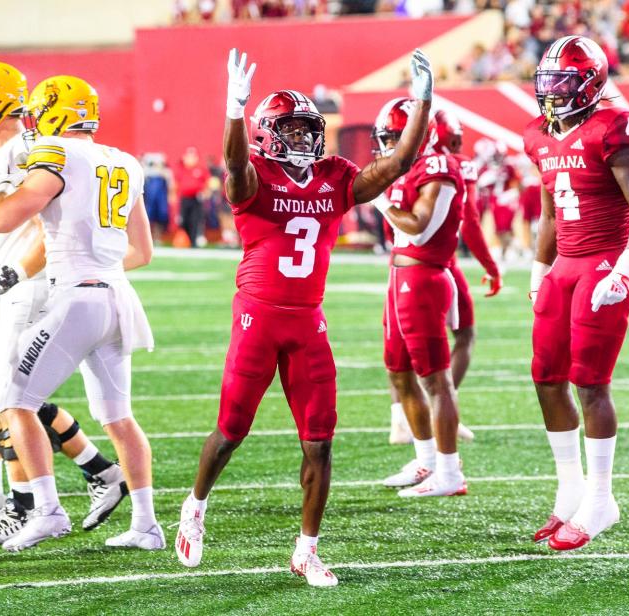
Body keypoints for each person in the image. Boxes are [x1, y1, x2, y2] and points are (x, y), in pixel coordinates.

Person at [174, 48, 434, 586]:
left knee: (319, 440)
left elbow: (396, 165)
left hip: (307, 321)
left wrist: (424, 102)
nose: (303, 141)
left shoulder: (333, 176)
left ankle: (306, 549)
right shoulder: (255, 177)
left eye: (307, 130)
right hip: (257, 317)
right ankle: (195, 506)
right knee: (230, 430)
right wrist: (233, 111)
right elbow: (237, 165)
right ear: (268, 135)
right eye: (290, 132)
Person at [0, 65, 128, 544]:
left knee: (12, 397)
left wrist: (4, 278)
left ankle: (27, 506)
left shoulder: (34, 151)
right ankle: (96, 474)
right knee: (8, 396)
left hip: (26, 286)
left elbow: (47, 231)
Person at [0, 74, 160, 552]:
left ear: (51, 114)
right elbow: (142, 250)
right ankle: (146, 524)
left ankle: (47, 511)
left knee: (13, 400)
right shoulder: (125, 161)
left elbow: (4, 218)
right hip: (118, 297)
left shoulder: (58, 154)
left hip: (77, 297)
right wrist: (97, 267)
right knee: (119, 417)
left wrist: (1, 183)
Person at [525, 35, 629, 550]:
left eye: (564, 83)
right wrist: (539, 267)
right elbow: (548, 210)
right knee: (545, 376)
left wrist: (625, 268)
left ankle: (601, 500)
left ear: (591, 83)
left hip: (606, 260)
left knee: (589, 380)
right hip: (565, 264)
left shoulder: (613, 127)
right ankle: (570, 493)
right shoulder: (538, 135)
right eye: (549, 83)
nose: (554, 93)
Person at [384, 108, 500, 447]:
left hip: (406, 265)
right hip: (432, 264)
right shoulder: (446, 165)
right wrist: (490, 266)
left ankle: (415, 420)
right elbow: (469, 221)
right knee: (433, 360)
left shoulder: (414, 165)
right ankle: (438, 416)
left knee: (404, 359)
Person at [371, 97, 468, 499]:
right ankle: (426, 457)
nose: (390, 145)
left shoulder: (438, 168)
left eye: (395, 137)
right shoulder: (412, 168)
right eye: (388, 138)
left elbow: (420, 230)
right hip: (400, 276)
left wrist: (378, 198)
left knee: (435, 378)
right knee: (398, 371)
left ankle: (449, 471)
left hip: (425, 277)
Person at [174, 147, 210, 246]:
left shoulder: (200, 169)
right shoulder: (181, 169)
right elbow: (176, 184)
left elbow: (207, 183)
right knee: (183, 220)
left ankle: (194, 242)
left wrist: (205, 193)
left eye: (192, 157)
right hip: (184, 199)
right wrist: (174, 196)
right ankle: (186, 240)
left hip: (196, 199)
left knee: (195, 220)